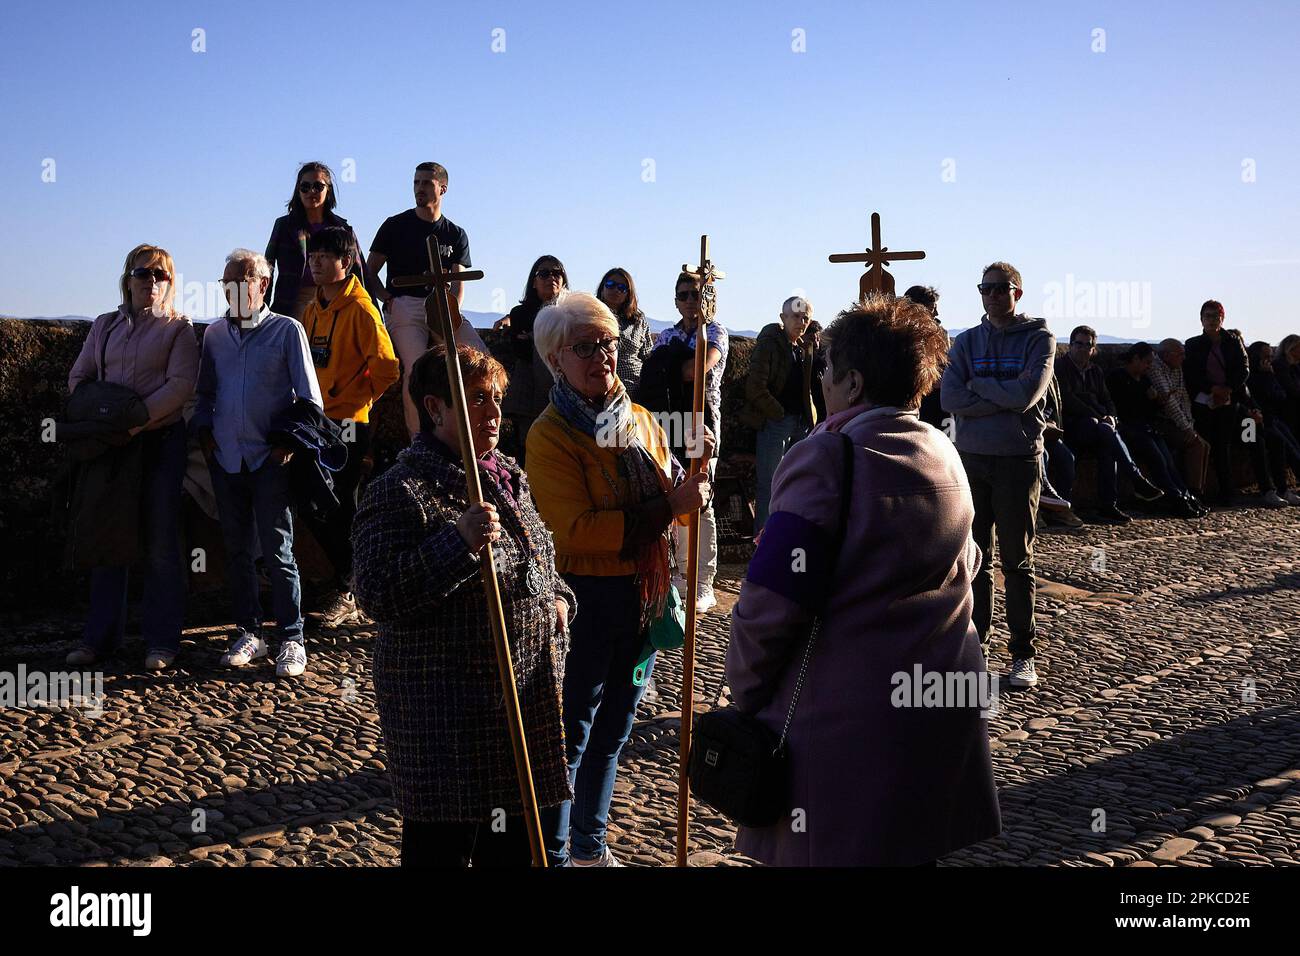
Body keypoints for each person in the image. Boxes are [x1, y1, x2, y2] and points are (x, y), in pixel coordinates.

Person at [727, 294, 1001, 866]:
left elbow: (772, 603)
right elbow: (969, 565)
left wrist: (745, 692)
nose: (820, 381)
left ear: (851, 383)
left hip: (845, 728)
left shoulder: (825, 458)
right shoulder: (945, 454)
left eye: (825, 369)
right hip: (937, 717)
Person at [351, 345, 572, 867]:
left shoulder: (507, 476)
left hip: (522, 705)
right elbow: (377, 594)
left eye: (496, 398)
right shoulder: (399, 491)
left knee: (515, 853)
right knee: (441, 853)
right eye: (477, 400)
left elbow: (540, 556)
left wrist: (560, 600)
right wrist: (457, 543)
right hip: (447, 722)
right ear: (435, 408)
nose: (494, 412)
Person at [526, 292, 711, 867]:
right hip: (589, 599)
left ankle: (590, 846)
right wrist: (668, 505)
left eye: (606, 343)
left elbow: (675, 494)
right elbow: (575, 530)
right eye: (585, 347)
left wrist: (692, 485)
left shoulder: (640, 421)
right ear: (556, 359)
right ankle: (554, 854)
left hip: (647, 597)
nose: (601, 356)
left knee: (616, 728)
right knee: (573, 733)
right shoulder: (551, 436)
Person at [64, 244, 199, 671]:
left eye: (161, 276)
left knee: (161, 540)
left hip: (159, 441)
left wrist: (134, 422)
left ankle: (162, 641)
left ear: (171, 283)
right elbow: (78, 379)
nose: (151, 282)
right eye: (143, 274)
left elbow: (181, 387)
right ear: (128, 278)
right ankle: (99, 638)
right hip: (112, 446)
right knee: (109, 537)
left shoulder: (179, 329)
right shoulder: (104, 326)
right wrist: (107, 421)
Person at [191, 249, 323, 678]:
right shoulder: (213, 335)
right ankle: (249, 631)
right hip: (227, 457)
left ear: (260, 285)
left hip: (269, 459)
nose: (228, 290)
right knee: (237, 551)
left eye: (238, 281)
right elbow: (204, 392)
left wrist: (287, 443)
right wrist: (206, 436)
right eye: (224, 282)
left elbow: (310, 399)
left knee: (278, 550)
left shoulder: (287, 331)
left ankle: (292, 637)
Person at [940, 262, 1055, 687]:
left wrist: (979, 386)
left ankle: (1024, 653)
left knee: (1018, 560)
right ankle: (980, 649)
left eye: (999, 288)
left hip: (1017, 458)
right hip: (972, 457)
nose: (990, 295)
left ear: (1017, 293)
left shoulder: (1039, 339)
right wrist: (999, 395)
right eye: (984, 288)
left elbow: (1027, 395)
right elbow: (951, 396)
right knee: (977, 560)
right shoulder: (967, 341)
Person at [299, 226, 402, 627]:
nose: (317, 262)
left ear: (346, 262)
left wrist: (358, 398)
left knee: (340, 504)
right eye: (312, 256)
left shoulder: (360, 309)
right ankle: (348, 578)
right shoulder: (312, 308)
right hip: (315, 421)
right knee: (313, 502)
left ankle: (351, 587)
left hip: (347, 424)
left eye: (325, 256)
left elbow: (388, 368)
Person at [367, 162, 479, 437]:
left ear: (442, 189)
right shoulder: (395, 226)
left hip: (442, 305)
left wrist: (452, 311)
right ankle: (419, 439)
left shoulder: (455, 234)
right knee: (416, 366)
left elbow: (458, 281)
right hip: (405, 305)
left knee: (479, 359)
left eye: (426, 183)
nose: (419, 188)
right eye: (416, 182)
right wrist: (386, 297)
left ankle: (472, 434)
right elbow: (368, 270)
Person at [650, 271, 729, 613]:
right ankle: (682, 571)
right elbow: (652, 372)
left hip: (701, 420)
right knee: (675, 489)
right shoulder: (667, 333)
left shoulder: (715, 331)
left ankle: (703, 581)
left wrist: (669, 364)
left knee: (702, 492)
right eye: (683, 295)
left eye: (695, 295)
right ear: (675, 300)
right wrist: (670, 365)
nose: (689, 301)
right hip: (670, 419)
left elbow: (696, 370)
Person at [1053, 325, 1164, 523]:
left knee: (1107, 445)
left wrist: (1111, 417)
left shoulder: (1095, 371)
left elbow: (1108, 399)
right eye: (1078, 344)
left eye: (1088, 345)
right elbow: (1068, 400)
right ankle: (1135, 479)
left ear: (1093, 350)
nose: (1082, 348)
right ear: (1070, 346)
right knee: (1102, 430)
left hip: (1097, 427)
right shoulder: (1060, 368)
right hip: (1072, 425)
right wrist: (1099, 416)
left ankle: (1108, 505)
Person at [1184, 300, 1284, 507]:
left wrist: (1228, 388)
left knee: (1254, 437)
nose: (1211, 320)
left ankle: (1268, 489)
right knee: (1219, 445)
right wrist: (1214, 390)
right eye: (1208, 316)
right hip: (1207, 404)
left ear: (1222, 318)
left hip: (1235, 405)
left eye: (1215, 316)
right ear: (1201, 319)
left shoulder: (1232, 341)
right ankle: (1227, 492)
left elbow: (1243, 369)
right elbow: (1192, 373)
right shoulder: (1193, 344)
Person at [741, 295, 816, 534]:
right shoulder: (769, 344)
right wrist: (778, 413)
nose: (801, 321)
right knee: (770, 486)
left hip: (800, 424)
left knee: (796, 485)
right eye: (795, 316)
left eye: (805, 317)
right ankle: (763, 545)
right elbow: (755, 387)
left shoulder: (803, 348)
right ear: (783, 318)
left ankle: (788, 538)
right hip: (776, 423)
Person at [1105, 343, 1203, 518]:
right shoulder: (1117, 377)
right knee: (1157, 459)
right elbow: (1123, 408)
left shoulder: (1144, 380)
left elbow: (1149, 410)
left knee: (1168, 460)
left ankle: (1186, 495)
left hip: (1147, 427)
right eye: (1147, 362)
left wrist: (1158, 400)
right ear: (1136, 359)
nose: (1149, 367)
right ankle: (1176, 499)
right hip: (1130, 427)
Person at [264, 162, 370, 320]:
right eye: (305, 187)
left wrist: (370, 310)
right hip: (292, 302)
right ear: (298, 191)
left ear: (328, 190)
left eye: (318, 186)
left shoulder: (343, 228)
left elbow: (360, 273)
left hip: (337, 302)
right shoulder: (284, 226)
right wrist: (260, 312)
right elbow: (267, 270)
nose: (311, 191)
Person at [494, 256, 568, 464]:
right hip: (530, 393)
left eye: (557, 273)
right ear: (533, 282)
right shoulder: (520, 314)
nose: (551, 277)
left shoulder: (573, 313)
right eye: (544, 273)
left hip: (563, 389)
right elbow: (523, 350)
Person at [1150, 339, 1212, 499]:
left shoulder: (1176, 369)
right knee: (1196, 444)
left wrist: (1189, 423)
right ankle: (1192, 492)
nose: (1184, 358)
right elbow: (1169, 404)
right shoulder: (1155, 369)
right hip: (1161, 421)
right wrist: (1186, 428)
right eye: (1180, 354)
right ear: (1166, 355)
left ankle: (1199, 489)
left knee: (1205, 445)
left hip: (1178, 421)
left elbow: (1183, 397)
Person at [1247, 341, 1300, 505]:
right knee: (1256, 445)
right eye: (1265, 357)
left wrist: (1269, 376)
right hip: (1245, 422)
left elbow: (1280, 396)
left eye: (1271, 356)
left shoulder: (1268, 374)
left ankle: (1282, 489)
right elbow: (1256, 397)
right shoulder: (1248, 376)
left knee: (1285, 444)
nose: (1269, 360)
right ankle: (1267, 490)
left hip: (1268, 419)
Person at [596, 267, 654, 395]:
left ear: (628, 293)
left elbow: (648, 355)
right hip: (602, 387)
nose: (615, 290)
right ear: (602, 288)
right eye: (610, 285)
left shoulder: (638, 319)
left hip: (635, 389)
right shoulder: (591, 316)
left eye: (622, 288)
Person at [1038, 373, 1085, 529]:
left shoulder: (1050, 372)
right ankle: (1035, 511)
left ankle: (1060, 509)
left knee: (1067, 458)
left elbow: (1051, 403)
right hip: (1028, 430)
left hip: (1047, 430)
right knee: (1041, 456)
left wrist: (1047, 419)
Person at [904, 285, 949, 430]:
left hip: (935, 398)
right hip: (911, 397)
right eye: (932, 308)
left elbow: (944, 366)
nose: (936, 313)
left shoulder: (940, 333)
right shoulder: (900, 334)